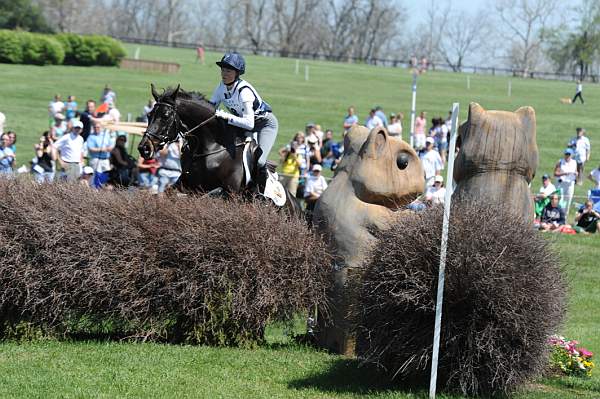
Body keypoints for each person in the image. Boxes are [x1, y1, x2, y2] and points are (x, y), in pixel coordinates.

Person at [210, 52, 278, 184]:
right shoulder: (221, 88)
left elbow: (249, 124)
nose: (224, 73)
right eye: (223, 69)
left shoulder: (244, 91)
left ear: (237, 73)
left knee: (259, 161)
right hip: (242, 123)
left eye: (228, 70)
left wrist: (225, 116)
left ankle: (261, 191)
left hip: (264, 124)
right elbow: (210, 108)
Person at [87, 122, 115, 188]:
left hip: (105, 159)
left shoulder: (106, 135)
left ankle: (103, 191)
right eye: (95, 127)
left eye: (98, 127)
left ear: (101, 128)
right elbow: (91, 148)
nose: (96, 129)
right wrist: (102, 149)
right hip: (96, 159)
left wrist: (108, 148)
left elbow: (111, 146)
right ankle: (95, 190)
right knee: (96, 176)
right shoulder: (91, 137)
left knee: (106, 176)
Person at [554, 148, 578, 213]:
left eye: (569, 154)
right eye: (566, 154)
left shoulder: (574, 162)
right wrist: (565, 173)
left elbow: (575, 171)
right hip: (561, 183)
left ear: (571, 155)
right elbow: (555, 173)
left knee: (568, 200)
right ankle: (557, 214)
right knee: (559, 199)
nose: (567, 156)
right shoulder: (560, 162)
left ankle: (564, 216)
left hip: (570, 184)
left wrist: (576, 174)